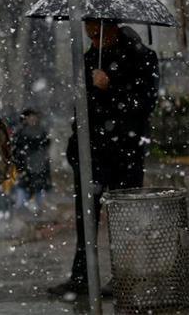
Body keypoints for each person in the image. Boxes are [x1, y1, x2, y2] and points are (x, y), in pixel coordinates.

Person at [47, 21, 159, 297]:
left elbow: (144, 103)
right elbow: (83, 105)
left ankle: (124, 276)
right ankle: (82, 276)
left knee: (123, 218)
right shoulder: (89, 58)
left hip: (125, 151)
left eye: (98, 35)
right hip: (91, 151)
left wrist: (110, 87)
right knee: (85, 217)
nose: (94, 40)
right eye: (89, 35)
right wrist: (75, 146)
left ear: (113, 29)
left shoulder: (141, 56)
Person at [12, 108, 51, 213]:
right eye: (30, 117)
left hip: (38, 166)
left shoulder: (40, 131)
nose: (33, 119)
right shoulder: (22, 132)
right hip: (27, 166)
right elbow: (17, 151)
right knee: (23, 191)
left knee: (37, 192)